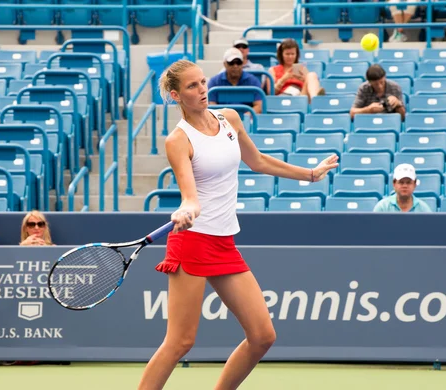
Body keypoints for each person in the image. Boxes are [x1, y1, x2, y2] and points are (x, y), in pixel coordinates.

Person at [138, 59, 338, 390]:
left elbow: (257, 161)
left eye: (202, 82)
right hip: (192, 241)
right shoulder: (178, 140)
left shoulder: (228, 118)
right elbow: (189, 194)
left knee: (262, 336)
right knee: (180, 342)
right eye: (191, 86)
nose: (202, 89)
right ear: (175, 95)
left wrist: (310, 173)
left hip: (223, 242)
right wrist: (187, 208)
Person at [208, 48, 263, 114]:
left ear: (242, 63)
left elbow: (259, 106)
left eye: (238, 62)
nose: (235, 66)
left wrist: (244, 118)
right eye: (231, 63)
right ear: (225, 64)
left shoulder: (253, 81)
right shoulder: (214, 82)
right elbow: (212, 106)